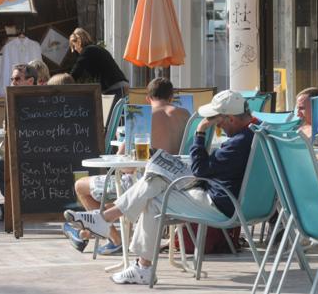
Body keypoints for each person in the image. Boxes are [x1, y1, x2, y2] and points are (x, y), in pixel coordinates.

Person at [64, 90, 254, 284]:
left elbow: (200, 170)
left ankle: (139, 263)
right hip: (235, 200)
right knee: (158, 174)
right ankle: (105, 221)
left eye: (218, 120)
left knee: (153, 199)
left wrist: (200, 132)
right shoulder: (256, 133)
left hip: (220, 204)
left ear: (230, 118)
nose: (216, 124)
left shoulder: (237, 144)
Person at [62, 78, 190, 254]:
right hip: (176, 184)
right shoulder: (186, 115)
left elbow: (122, 165)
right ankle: (85, 231)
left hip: (144, 182)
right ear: (172, 96)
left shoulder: (142, 116)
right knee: (118, 196)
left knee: (80, 186)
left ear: (147, 98)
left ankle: (115, 239)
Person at [0, 63, 38, 196]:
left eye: (17, 79)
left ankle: (13, 205)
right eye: (12, 79)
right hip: (19, 150)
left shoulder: (40, 99)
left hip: (40, 151)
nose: (13, 83)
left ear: (30, 81)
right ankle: (11, 205)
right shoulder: (14, 100)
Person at [68, 28, 129, 121]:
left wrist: (64, 82)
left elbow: (76, 71)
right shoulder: (95, 49)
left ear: (78, 42)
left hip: (115, 88)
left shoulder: (88, 51)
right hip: (118, 87)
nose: (75, 49)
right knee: (117, 123)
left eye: (74, 46)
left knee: (113, 124)